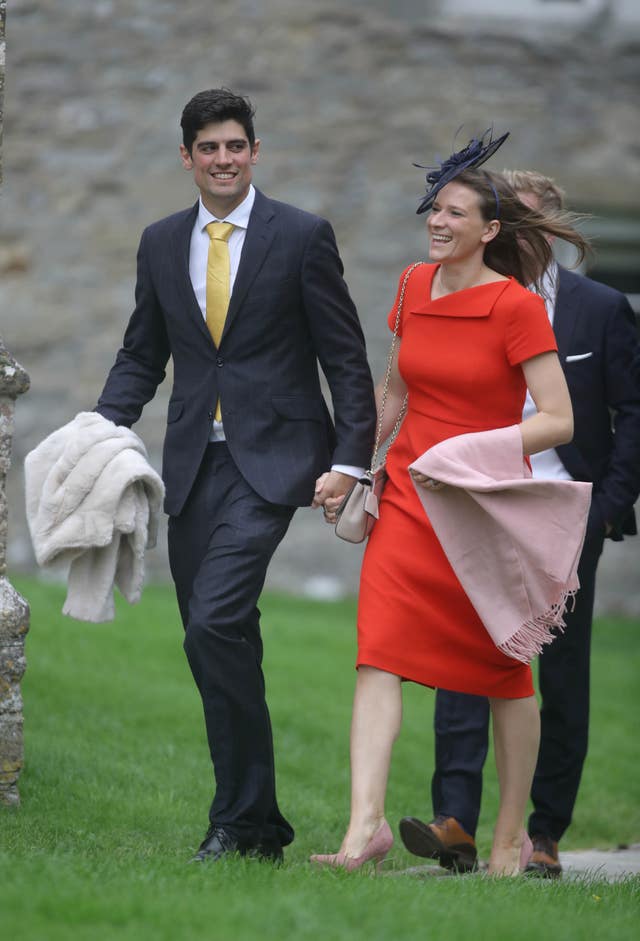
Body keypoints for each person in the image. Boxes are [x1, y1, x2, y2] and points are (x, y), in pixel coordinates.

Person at [94, 88, 376, 863]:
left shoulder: (302, 235)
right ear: (187, 157)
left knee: (214, 620)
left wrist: (351, 461)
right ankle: (256, 825)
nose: (224, 159)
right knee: (217, 636)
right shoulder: (159, 242)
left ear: (255, 152)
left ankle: (234, 819)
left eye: (236, 146)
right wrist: (100, 427)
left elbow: (345, 357)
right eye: (209, 148)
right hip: (191, 463)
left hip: (276, 461)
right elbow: (142, 353)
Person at [313, 132, 591, 876]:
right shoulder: (410, 284)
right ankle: (363, 826)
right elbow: (395, 390)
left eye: (455, 212)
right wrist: (351, 465)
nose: (437, 221)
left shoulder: (516, 308)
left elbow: (558, 419)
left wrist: (472, 452)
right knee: (377, 657)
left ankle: (507, 835)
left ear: (490, 230)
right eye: (434, 208)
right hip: (405, 500)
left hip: (479, 511)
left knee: (505, 673)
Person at [399, 170, 640, 878]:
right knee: (463, 661)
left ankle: (545, 833)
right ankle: (456, 823)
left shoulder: (599, 309)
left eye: (533, 221)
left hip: (566, 515)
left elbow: (633, 412)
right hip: (481, 507)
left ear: (551, 227)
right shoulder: (468, 297)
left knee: (562, 673)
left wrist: (606, 506)